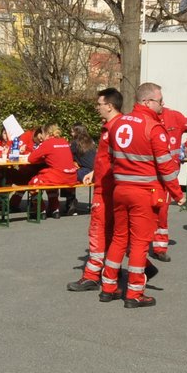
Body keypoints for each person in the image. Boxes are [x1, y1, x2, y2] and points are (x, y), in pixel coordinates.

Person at [99, 83, 181, 307]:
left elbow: (113, 157)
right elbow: (165, 166)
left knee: (118, 238)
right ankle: (134, 293)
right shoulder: (153, 127)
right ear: (147, 102)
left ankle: (108, 287)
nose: (162, 105)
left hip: (120, 189)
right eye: (159, 101)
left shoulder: (118, 123)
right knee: (139, 243)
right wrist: (178, 193)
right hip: (144, 192)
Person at [68, 88, 123, 292]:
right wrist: (94, 172)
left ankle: (93, 276)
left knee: (99, 231)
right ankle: (109, 272)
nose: (97, 108)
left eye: (99, 104)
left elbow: (118, 159)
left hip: (108, 188)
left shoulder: (117, 128)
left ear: (109, 105)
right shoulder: (112, 126)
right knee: (109, 231)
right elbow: (105, 159)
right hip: (105, 183)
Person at [151, 104, 187, 260]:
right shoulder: (144, 119)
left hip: (168, 175)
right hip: (148, 174)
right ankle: (136, 245)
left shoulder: (174, 116)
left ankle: (160, 248)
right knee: (142, 212)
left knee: (162, 212)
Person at [27, 122, 77, 216]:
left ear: (46, 133)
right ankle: (55, 209)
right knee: (49, 181)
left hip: (59, 176)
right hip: (72, 176)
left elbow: (31, 158)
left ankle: (40, 210)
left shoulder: (47, 143)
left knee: (33, 182)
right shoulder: (64, 141)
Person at [66, 122, 97, 215]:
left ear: (76, 132)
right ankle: (71, 202)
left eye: (72, 132)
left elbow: (67, 157)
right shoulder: (91, 141)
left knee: (66, 175)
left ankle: (70, 201)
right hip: (96, 172)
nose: (71, 134)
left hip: (86, 172)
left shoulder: (75, 143)